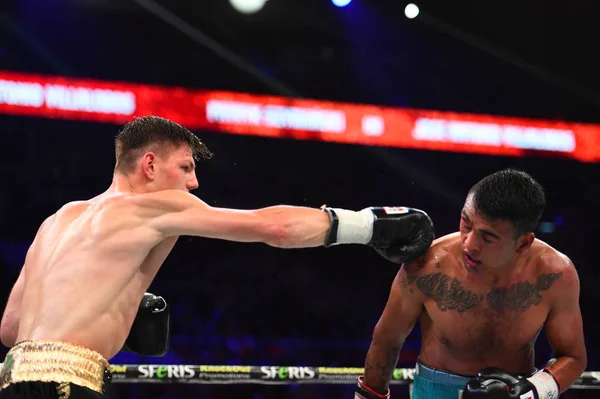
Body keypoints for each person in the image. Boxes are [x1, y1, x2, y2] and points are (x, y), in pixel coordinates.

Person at [0, 116, 435, 398]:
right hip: (66, 386)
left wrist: (119, 310)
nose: (193, 185)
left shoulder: (58, 219)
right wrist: (367, 225)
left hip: (12, 379)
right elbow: (274, 227)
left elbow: (11, 327)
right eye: (186, 167)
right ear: (149, 165)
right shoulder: (156, 206)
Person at [354, 169, 587, 399]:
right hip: (436, 391)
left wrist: (533, 391)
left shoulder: (554, 274)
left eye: (488, 237)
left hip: (515, 390)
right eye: (466, 223)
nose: (469, 244)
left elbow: (573, 357)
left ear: (523, 243)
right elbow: (387, 339)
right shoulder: (428, 265)